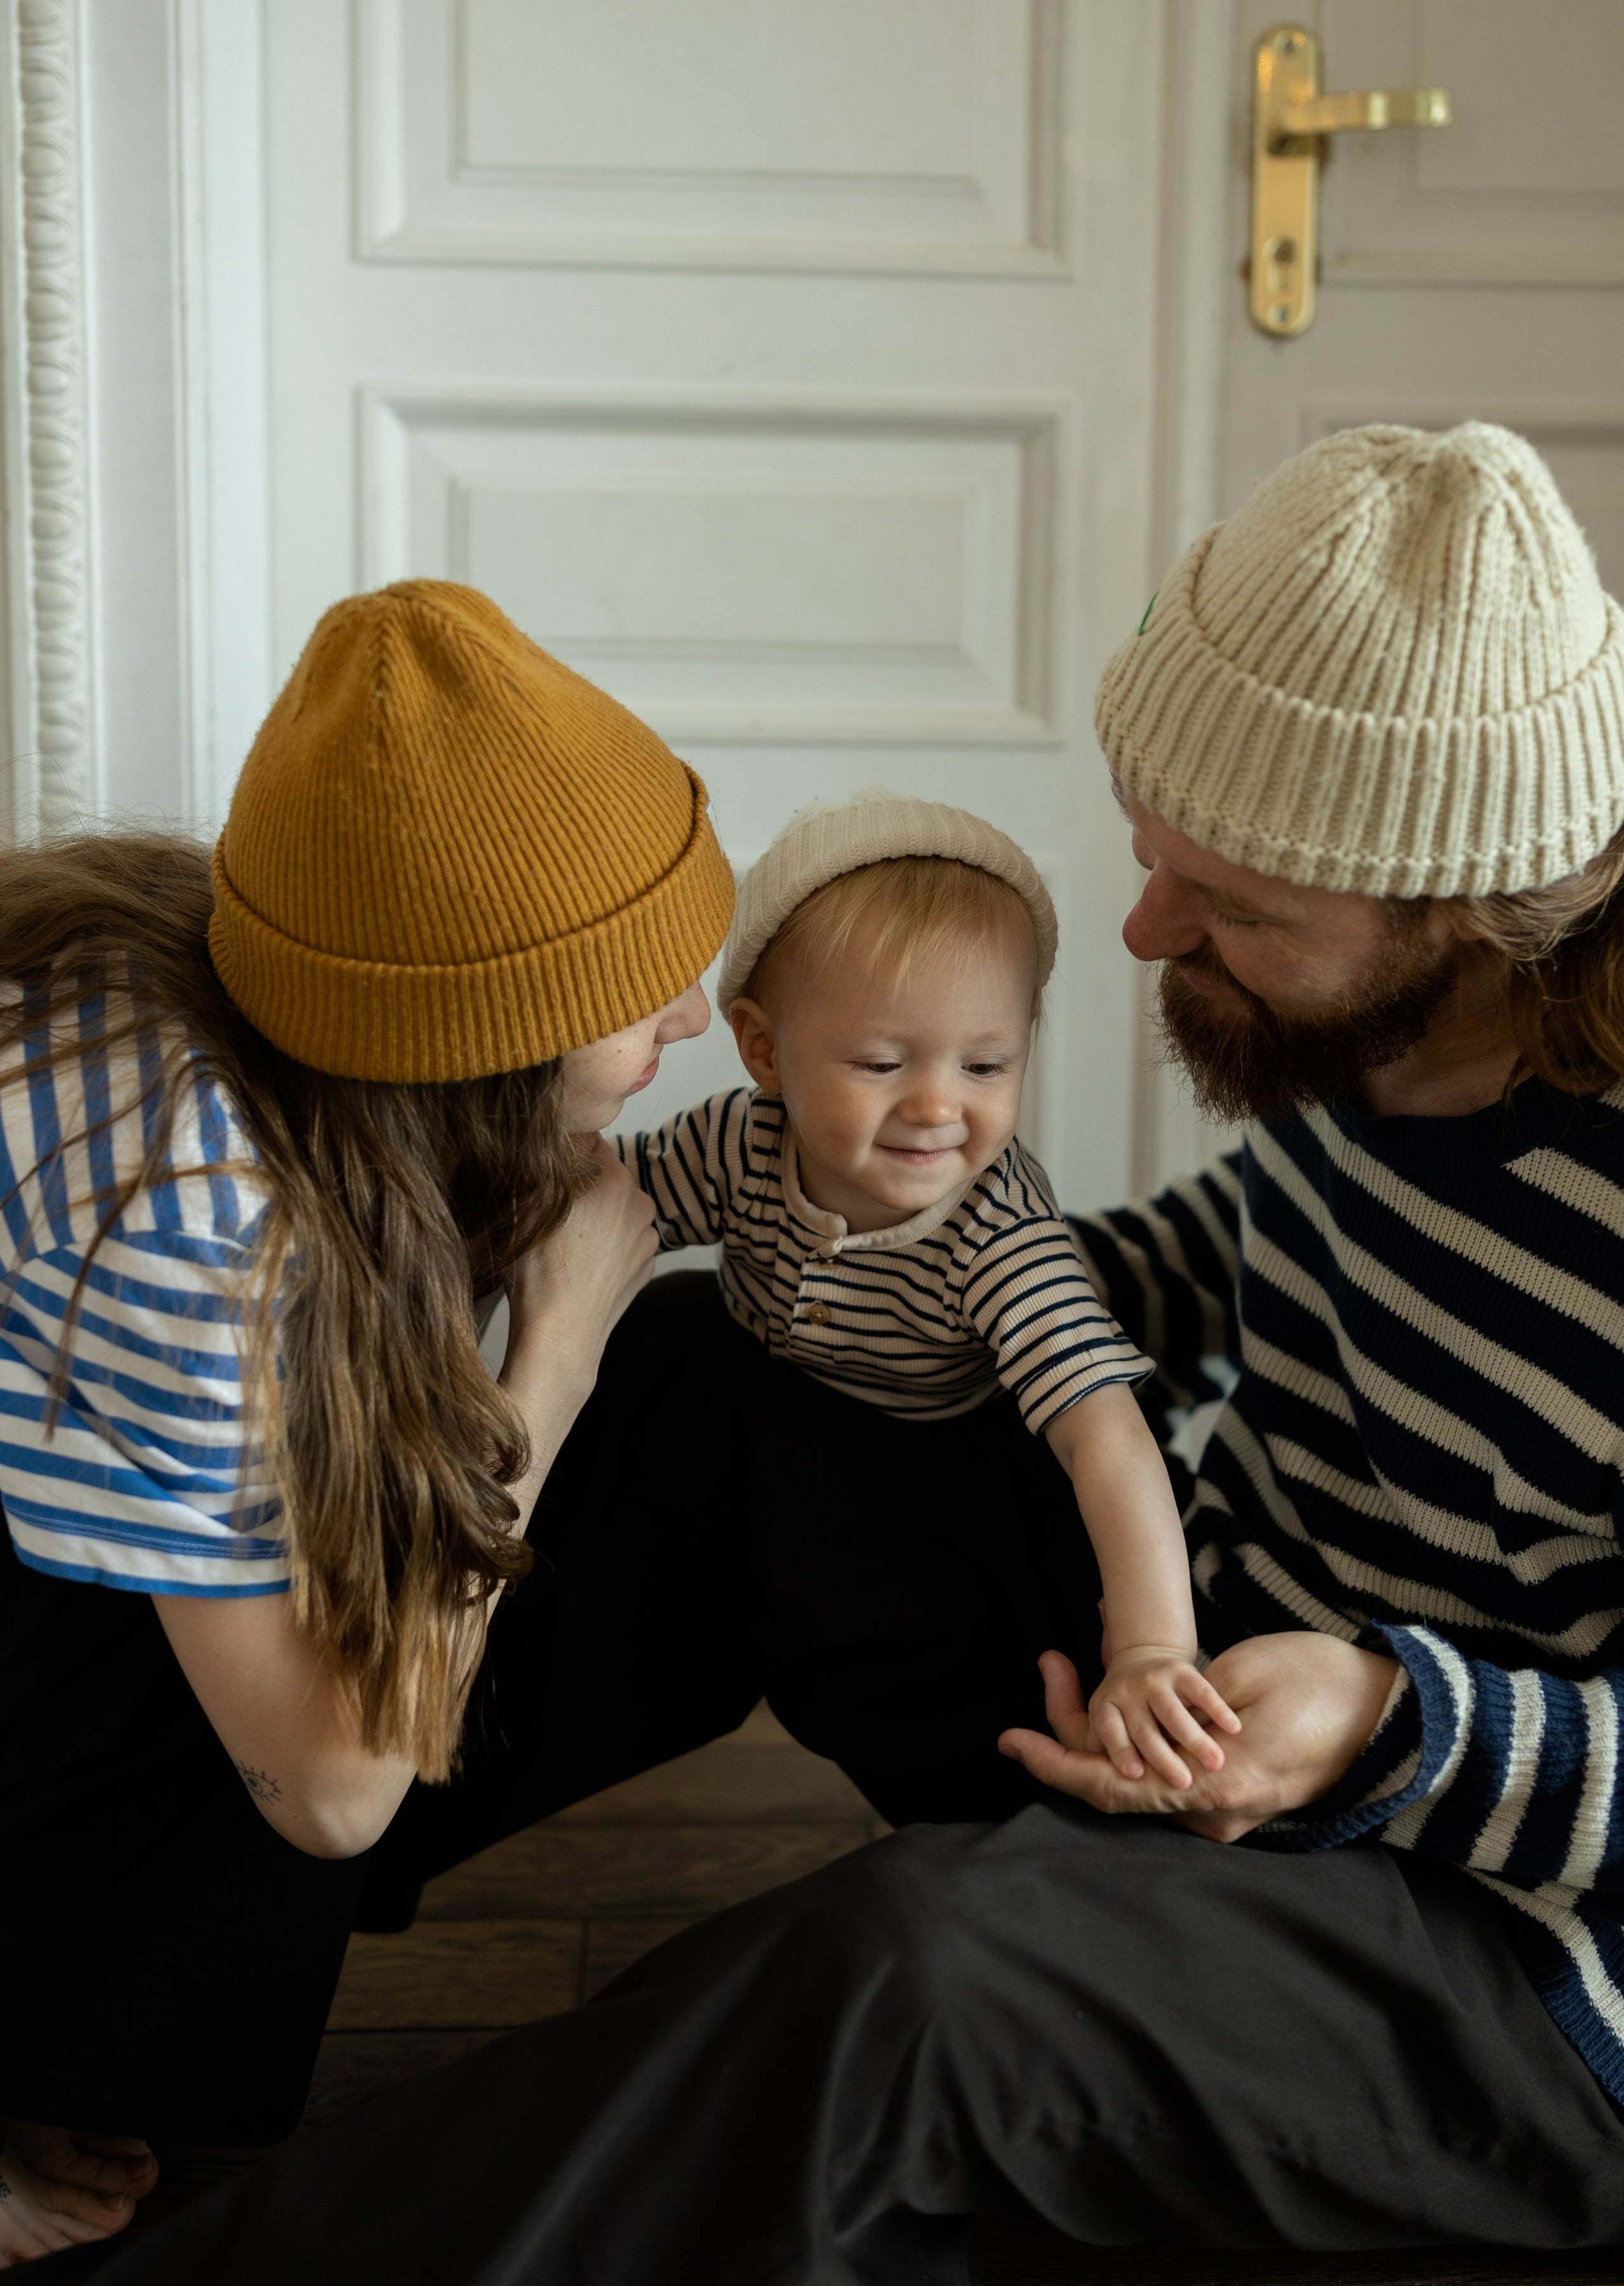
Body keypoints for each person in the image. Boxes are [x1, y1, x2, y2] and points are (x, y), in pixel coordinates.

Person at [69, 421, 1624, 2285]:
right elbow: (1221, 1273)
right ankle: (128, 1994)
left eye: (1232, 912)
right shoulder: (1372, 1038)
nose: (1143, 933)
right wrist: (937, 1261)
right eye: (1157, 862)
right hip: (1202, 1695)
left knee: (909, 1978)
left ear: (1464, 908)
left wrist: (1391, 1722)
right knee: (713, 1377)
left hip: (1501, 1951)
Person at [0, 578, 735, 2263]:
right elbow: (328, 1788)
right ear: (476, 1036)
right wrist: (548, 1351)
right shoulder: (190, 1205)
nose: (688, 1019)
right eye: (642, 993)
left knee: (690, 1384)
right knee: (321, 1718)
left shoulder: (250, 971)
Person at [622, 790, 1238, 1787]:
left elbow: (1105, 1434)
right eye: (880, 1062)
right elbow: (605, 1201)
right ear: (766, 1050)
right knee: (661, 1337)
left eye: (987, 1063)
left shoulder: (997, 1234)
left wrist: (1152, 1648)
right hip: (787, 1421)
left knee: (972, 1707)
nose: (938, 1106)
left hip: (958, 1463)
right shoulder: (742, 1141)